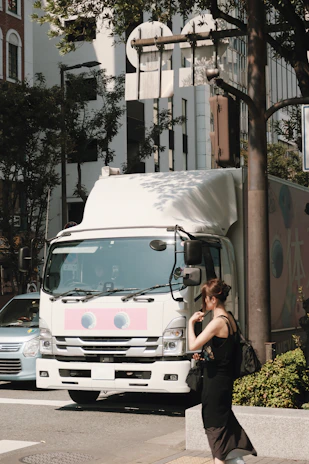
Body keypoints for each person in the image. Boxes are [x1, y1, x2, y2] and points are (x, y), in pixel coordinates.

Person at [188, 278, 257, 464]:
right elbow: (223, 353)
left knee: (216, 435)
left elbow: (192, 344)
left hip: (215, 386)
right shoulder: (230, 319)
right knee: (223, 434)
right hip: (224, 383)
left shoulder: (217, 322)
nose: (203, 303)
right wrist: (206, 357)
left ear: (212, 299)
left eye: (204, 298)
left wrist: (191, 323)